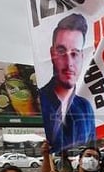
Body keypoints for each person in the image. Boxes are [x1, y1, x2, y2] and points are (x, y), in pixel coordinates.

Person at [38, 13, 96, 150]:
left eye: (75, 53)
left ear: (82, 57)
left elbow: (92, 149)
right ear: (52, 54)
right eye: (62, 52)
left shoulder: (85, 107)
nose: (69, 62)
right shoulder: (39, 101)